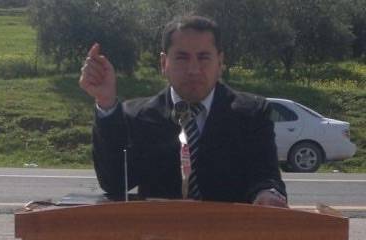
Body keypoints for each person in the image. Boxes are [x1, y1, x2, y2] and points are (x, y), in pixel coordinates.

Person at [79, 14, 287, 206]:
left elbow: (266, 177)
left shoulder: (251, 114)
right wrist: (106, 102)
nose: (193, 70)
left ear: (220, 62)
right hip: (159, 232)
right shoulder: (138, 116)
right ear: (164, 63)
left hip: (229, 232)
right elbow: (114, 183)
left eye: (203, 57)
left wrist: (268, 194)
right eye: (182, 57)